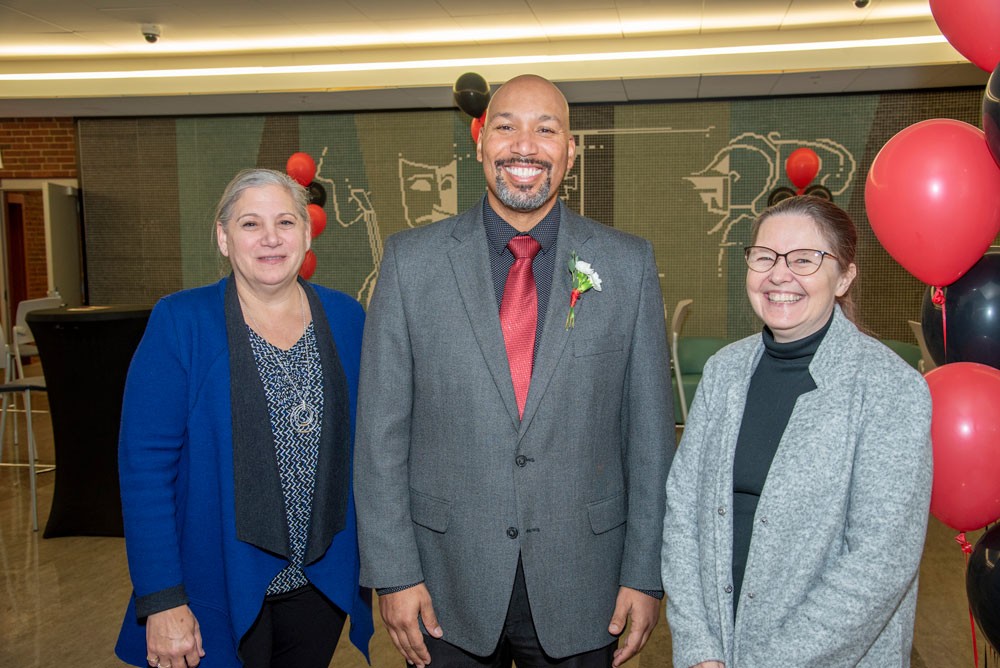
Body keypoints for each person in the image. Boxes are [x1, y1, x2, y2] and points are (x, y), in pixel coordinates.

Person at [353, 74, 674, 668]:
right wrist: (393, 574)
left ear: (570, 149)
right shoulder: (410, 263)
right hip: (444, 583)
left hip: (586, 582)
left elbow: (650, 438)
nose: (524, 145)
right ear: (479, 142)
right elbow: (379, 437)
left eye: (546, 129)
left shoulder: (626, 264)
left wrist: (644, 574)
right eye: (506, 126)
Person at [114, 168, 373, 668]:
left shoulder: (347, 318)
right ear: (223, 237)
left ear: (307, 231)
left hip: (319, 585)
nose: (271, 238)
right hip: (215, 585)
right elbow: (144, 470)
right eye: (251, 224)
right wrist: (163, 599)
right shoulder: (180, 322)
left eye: (286, 222)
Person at [661, 195, 932, 667]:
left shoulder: (889, 388)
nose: (779, 275)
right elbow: (683, 512)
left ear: (845, 276)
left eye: (805, 259)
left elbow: (879, 563)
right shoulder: (725, 372)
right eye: (764, 257)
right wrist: (698, 647)